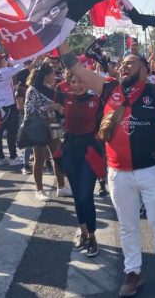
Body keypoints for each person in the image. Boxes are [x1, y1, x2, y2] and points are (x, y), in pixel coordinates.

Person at [58, 42, 155, 296]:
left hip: (152, 170)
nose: (124, 67)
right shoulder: (108, 88)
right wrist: (60, 40)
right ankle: (133, 272)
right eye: (122, 64)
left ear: (144, 70)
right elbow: (75, 67)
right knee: (127, 225)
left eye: (130, 63)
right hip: (119, 172)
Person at [56, 72, 104, 257]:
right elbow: (38, 84)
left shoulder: (97, 100)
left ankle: (92, 236)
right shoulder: (64, 98)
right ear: (68, 84)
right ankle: (83, 233)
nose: (78, 85)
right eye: (74, 82)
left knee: (86, 196)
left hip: (89, 152)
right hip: (69, 152)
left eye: (82, 81)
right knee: (77, 196)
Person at [24, 63, 71, 201]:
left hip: (54, 124)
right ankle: (39, 190)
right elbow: (29, 111)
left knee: (57, 156)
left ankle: (61, 187)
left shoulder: (51, 88)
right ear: (45, 76)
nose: (55, 76)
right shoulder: (32, 90)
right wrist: (51, 106)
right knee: (39, 159)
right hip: (38, 127)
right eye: (52, 74)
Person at [0, 53, 24, 166]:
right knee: (11, 132)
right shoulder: (6, 71)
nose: (5, 60)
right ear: (1, 61)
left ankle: (0, 158)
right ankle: (13, 157)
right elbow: (21, 65)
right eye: (4, 59)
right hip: (8, 104)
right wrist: (14, 58)